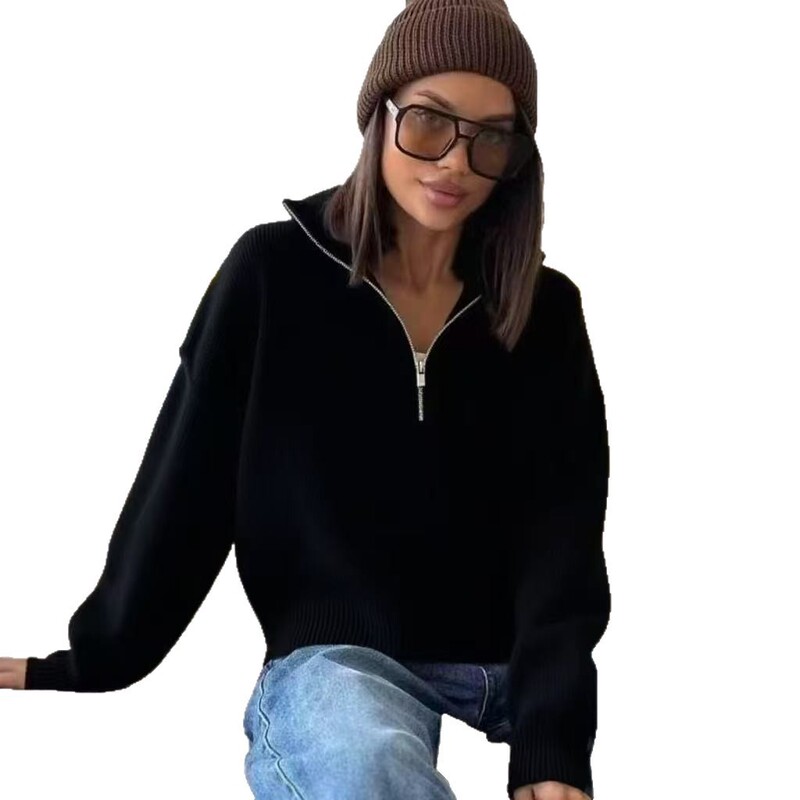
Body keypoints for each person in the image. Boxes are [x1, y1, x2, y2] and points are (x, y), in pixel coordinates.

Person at [0, 1, 610, 798]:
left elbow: (562, 536)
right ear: (378, 116)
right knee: (357, 766)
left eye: (491, 137)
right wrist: (92, 660)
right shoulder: (271, 275)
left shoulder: (544, 312)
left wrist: (554, 741)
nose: (456, 162)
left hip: (509, 666)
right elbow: (187, 489)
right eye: (429, 122)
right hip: (339, 662)